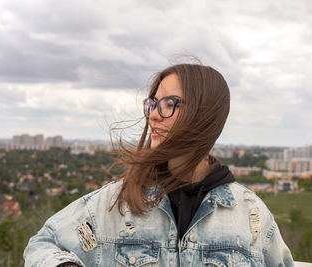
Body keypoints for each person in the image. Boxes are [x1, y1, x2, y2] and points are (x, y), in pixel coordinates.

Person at [24, 64, 294, 266]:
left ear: (204, 112)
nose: (153, 115)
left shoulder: (251, 216)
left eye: (168, 104)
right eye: (152, 104)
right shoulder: (117, 203)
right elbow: (42, 244)